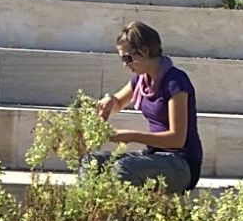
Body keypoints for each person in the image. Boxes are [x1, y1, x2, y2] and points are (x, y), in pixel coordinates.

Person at [85, 21, 202, 194]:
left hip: (181, 163)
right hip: (154, 156)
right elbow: (118, 102)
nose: (125, 64)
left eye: (127, 58)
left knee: (125, 168)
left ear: (145, 51)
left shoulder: (175, 82)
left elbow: (177, 139)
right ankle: (92, 217)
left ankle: (125, 220)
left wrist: (132, 136)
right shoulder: (141, 80)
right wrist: (109, 101)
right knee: (92, 162)